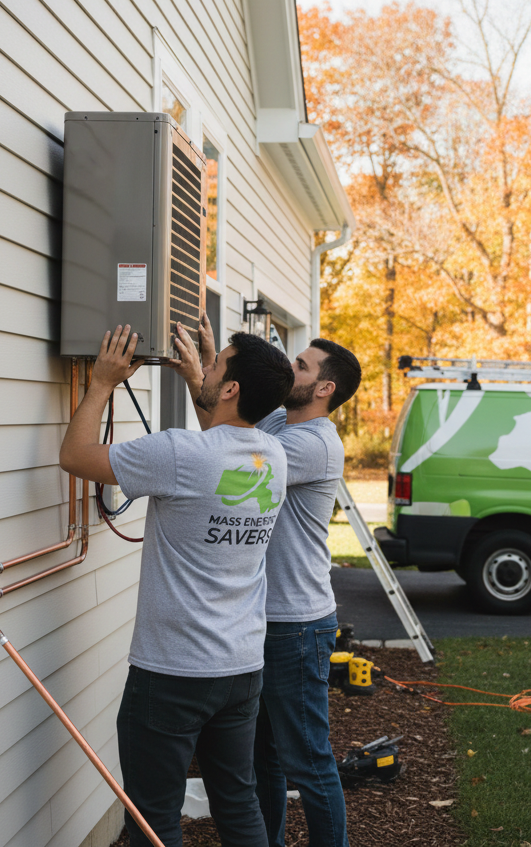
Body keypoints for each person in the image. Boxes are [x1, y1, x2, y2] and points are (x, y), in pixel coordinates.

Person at [59, 323, 294, 847]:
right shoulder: (273, 456)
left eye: (216, 363)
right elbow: (219, 439)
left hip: (173, 672)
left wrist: (102, 383)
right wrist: (197, 380)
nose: (205, 365)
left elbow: (75, 457)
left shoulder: (178, 454)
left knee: (153, 815)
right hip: (240, 667)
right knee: (238, 801)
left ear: (231, 388)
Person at [177, 317, 362, 847]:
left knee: (308, 760)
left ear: (324, 388)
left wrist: (200, 379)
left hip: (295, 624)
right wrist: (209, 370)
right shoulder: (280, 420)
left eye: (300, 366)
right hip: (265, 618)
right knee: (263, 759)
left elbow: (224, 453)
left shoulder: (312, 444)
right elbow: (225, 427)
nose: (289, 368)